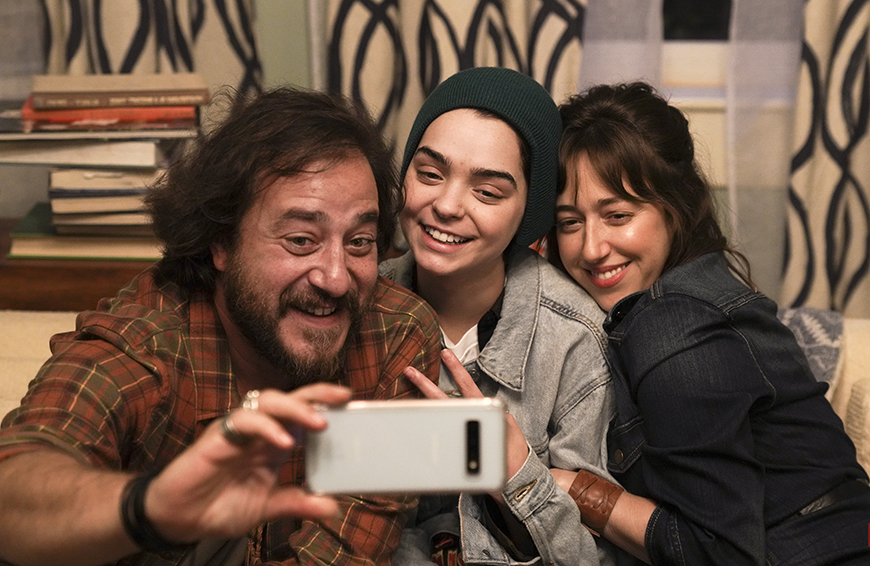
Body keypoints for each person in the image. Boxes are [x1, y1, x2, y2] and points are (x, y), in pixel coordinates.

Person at [0, 87, 441, 566]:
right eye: (300, 240)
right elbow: (16, 487)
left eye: (359, 242)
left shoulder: (395, 333)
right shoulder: (147, 346)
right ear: (222, 245)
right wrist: (150, 508)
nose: (336, 278)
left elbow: (349, 549)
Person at [548, 81, 870, 565]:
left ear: (673, 210)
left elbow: (718, 553)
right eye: (570, 223)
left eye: (617, 215)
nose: (592, 248)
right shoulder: (685, 287)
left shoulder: (674, 327)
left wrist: (570, 487)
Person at [380, 67, 624, 566]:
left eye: (487, 192)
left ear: (528, 214)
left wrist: (512, 472)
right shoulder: (356, 299)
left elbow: (587, 556)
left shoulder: (573, 338)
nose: (446, 205)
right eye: (429, 173)